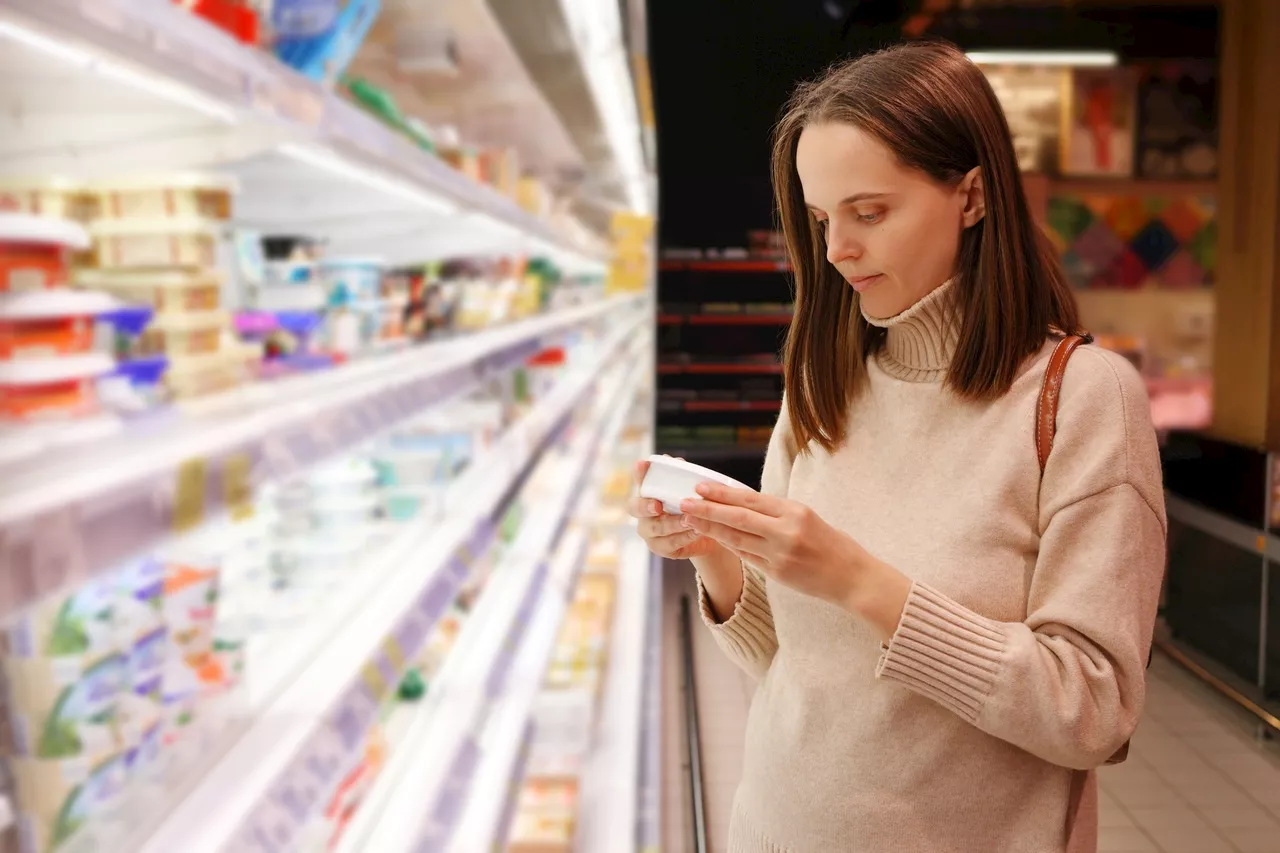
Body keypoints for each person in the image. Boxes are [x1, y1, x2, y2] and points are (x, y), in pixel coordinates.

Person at [630, 40, 1165, 853]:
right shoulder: (821, 380)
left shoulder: (1084, 399)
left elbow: (1091, 710)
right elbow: (789, 660)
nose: (837, 246)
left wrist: (859, 581)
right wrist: (718, 557)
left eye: (869, 212)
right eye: (820, 219)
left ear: (973, 196)